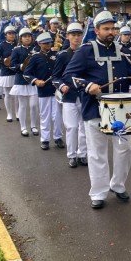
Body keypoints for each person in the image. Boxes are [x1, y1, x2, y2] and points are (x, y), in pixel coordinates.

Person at [62, 10, 131, 209]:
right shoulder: (85, 50)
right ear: (96, 30)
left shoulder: (121, 51)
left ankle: (118, 185)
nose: (111, 31)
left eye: (113, 28)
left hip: (121, 113)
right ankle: (98, 192)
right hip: (94, 110)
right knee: (97, 153)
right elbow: (69, 75)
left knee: (125, 149)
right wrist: (87, 85)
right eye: (106, 29)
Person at [54, 23, 88, 167]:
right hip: (69, 96)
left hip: (84, 95)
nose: (76, 38)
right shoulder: (63, 55)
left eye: (79, 35)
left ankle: (82, 154)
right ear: (67, 36)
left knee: (84, 127)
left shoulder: (87, 53)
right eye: (73, 35)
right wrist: (62, 86)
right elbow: (55, 77)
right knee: (72, 127)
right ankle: (72, 155)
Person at [24, 33, 63, 150]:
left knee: (57, 116)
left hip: (56, 90)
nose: (48, 45)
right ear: (39, 44)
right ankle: (45, 139)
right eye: (45, 43)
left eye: (49, 42)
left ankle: (58, 137)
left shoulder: (57, 55)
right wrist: (36, 81)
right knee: (45, 116)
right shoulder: (35, 57)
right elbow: (27, 74)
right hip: (43, 90)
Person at [10, 28, 40, 137]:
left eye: (29, 36)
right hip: (21, 81)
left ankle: (33, 126)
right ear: (20, 38)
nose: (27, 38)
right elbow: (12, 65)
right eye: (24, 36)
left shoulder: (36, 49)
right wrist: (21, 66)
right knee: (22, 106)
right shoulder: (16, 50)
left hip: (33, 80)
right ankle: (23, 127)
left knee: (33, 105)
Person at [0, 25, 18, 122]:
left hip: (16, 72)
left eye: (13, 33)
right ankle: (9, 114)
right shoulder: (1, 45)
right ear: (5, 35)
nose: (12, 35)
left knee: (16, 95)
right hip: (6, 72)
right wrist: (3, 60)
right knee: (8, 94)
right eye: (9, 33)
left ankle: (17, 113)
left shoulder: (18, 44)